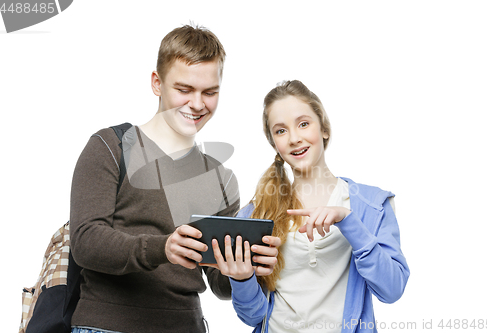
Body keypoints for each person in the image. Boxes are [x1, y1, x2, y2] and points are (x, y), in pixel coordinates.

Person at [69, 24, 280, 333]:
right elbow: (86, 242)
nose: (197, 104)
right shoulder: (110, 146)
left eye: (209, 92)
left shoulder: (220, 178)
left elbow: (219, 282)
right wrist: (162, 247)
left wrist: (244, 271)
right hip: (106, 327)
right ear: (157, 83)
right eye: (184, 90)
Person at [210, 80, 410, 332]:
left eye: (303, 124)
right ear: (275, 145)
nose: (294, 138)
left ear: (324, 129)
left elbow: (392, 290)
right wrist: (242, 278)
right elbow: (253, 316)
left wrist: (348, 222)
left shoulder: (373, 205)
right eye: (281, 131)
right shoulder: (256, 214)